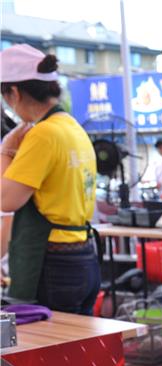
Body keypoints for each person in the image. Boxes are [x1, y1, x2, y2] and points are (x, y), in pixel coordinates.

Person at [0, 44, 100, 314]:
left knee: (48, 340)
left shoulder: (42, 135)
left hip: (53, 263)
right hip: (83, 255)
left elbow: (6, 199)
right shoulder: (71, 127)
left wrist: (6, 149)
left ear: (15, 93)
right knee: (79, 340)